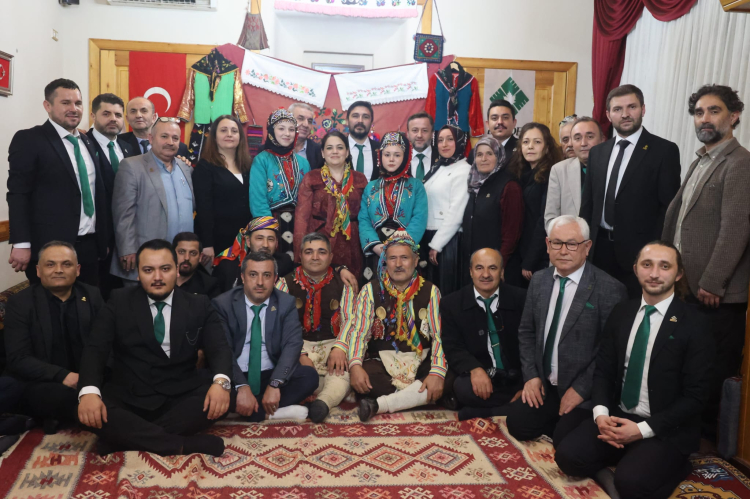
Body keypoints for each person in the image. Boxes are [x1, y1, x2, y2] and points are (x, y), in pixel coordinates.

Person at [555, 242, 714, 499]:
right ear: (636, 269)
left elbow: (696, 397)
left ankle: (674, 465)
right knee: (567, 457)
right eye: (647, 265)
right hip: (619, 416)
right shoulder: (622, 312)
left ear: (679, 274)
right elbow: (604, 371)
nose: (654, 274)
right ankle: (629, 455)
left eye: (665, 266)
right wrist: (601, 415)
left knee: (630, 485)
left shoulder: (695, 324)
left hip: (664, 427)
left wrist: (641, 431)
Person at [77, 239, 233, 456]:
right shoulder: (118, 301)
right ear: (138, 273)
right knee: (85, 405)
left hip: (180, 395)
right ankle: (181, 445)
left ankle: (124, 439)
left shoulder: (199, 304)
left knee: (224, 395)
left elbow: (219, 348)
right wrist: (89, 392)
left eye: (165, 269)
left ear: (176, 270)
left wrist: (221, 383)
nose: (157, 277)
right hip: (130, 396)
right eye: (148, 270)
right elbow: (95, 349)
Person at [662, 84, 750, 435]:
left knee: (712, 370)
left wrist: (713, 283)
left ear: (734, 116)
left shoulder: (740, 163)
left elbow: (735, 229)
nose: (705, 118)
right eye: (699, 112)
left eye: (714, 111)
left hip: (716, 294)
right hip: (688, 288)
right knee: (689, 366)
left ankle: (709, 447)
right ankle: (685, 434)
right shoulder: (701, 160)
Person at [505, 216, 627, 447]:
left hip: (582, 389)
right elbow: (526, 332)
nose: (563, 251)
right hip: (545, 383)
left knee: (564, 440)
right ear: (547, 245)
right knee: (517, 424)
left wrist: (581, 389)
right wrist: (531, 376)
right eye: (556, 243)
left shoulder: (610, 289)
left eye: (571, 244)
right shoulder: (539, 280)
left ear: (587, 247)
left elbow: (609, 353)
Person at [581, 84, 681, 298]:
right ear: (608, 114)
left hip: (640, 255)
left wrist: (653, 253)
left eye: (632, 107)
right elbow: (588, 204)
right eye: (617, 109)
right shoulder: (597, 152)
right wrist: (583, 246)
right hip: (598, 251)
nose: (625, 114)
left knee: (632, 311)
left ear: (643, 109)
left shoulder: (664, 151)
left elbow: (668, 209)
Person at [8, 78, 109, 286]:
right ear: (48, 106)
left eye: (78, 103)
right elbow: (18, 194)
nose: (74, 109)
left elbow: (97, 193)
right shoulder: (30, 139)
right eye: (65, 103)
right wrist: (21, 243)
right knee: (49, 305)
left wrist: (103, 240)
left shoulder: (87, 141)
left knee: (89, 303)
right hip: (50, 249)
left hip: (89, 247)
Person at [344, 231, 446, 421]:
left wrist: (437, 373)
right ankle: (421, 397)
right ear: (385, 261)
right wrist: (355, 366)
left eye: (404, 258)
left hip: (421, 361)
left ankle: (381, 405)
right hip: (382, 363)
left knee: (447, 374)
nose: (398, 264)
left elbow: (439, 337)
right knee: (365, 376)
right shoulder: (370, 290)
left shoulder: (431, 291)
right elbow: (359, 333)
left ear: (415, 261)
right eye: (392, 258)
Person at [4, 241, 104, 432]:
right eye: (50, 264)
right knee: (64, 397)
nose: (58, 270)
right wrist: (64, 376)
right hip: (43, 382)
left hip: (88, 376)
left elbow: (105, 343)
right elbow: (18, 358)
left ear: (78, 270)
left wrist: (91, 378)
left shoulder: (92, 295)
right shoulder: (20, 303)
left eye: (66, 264)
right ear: (38, 270)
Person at [212, 251, 319, 422]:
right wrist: (241, 386)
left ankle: (248, 412)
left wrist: (275, 383)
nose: (260, 282)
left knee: (309, 376)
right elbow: (223, 350)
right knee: (206, 384)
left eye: (267, 275)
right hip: (235, 373)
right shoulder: (223, 304)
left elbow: (292, 344)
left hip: (270, 373)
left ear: (275, 278)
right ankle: (272, 413)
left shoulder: (285, 303)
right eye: (253, 275)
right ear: (243, 277)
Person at [276, 233, 357, 423]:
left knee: (343, 372)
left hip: (333, 344)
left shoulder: (343, 283)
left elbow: (350, 320)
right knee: (287, 369)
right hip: (297, 345)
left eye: (321, 252)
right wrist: (300, 354)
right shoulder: (284, 284)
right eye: (309, 252)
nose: (315, 257)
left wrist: (340, 348)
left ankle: (322, 403)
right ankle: (326, 394)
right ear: (300, 256)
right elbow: (280, 325)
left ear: (330, 257)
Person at [441, 248, 526, 421]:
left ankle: (487, 411)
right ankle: (515, 406)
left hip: (516, 374)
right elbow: (452, 346)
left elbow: (532, 343)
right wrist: (475, 369)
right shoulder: (451, 303)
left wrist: (527, 383)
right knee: (462, 388)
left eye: (492, 268)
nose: (485, 274)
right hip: (483, 376)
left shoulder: (521, 299)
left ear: (501, 272)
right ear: (471, 272)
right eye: (479, 268)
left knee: (541, 390)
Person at [110, 118, 195, 285]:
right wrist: (127, 249)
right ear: (151, 138)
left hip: (180, 263)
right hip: (143, 259)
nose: (170, 142)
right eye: (164, 136)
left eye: (175, 138)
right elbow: (123, 214)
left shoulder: (186, 168)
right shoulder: (131, 166)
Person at [294, 130, 368, 279]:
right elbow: (302, 218)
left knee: (352, 284)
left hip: (353, 241)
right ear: (322, 153)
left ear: (347, 152)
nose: (335, 151)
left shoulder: (360, 179)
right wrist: (299, 253)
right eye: (329, 148)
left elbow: (366, 216)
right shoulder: (312, 178)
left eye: (340, 147)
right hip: (320, 240)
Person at [359, 132, 428, 282]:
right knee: (377, 291)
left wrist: (401, 247)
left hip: (406, 249)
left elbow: (419, 218)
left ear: (406, 157)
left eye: (397, 155)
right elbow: (364, 220)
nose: (391, 159)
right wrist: (377, 247)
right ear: (380, 157)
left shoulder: (416, 186)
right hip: (377, 249)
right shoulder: (370, 187)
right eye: (387, 154)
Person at [86, 93, 136, 298]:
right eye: (106, 114)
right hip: (97, 240)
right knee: (98, 295)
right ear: (93, 116)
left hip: (125, 239)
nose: (113, 119)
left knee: (122, 297)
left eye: (117, 114)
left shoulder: (128, 147)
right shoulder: (83, 145)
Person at [461, 135, 523, 288]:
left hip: (498, 269)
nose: (483, 159)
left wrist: (499, 265)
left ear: (499, 156)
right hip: (475, 266)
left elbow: (512, 234)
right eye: (479, 154)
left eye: (489, 153)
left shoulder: (509, 186)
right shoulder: (473, 185)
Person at [507, 123, 563, 287]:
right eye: (526, 142)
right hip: (519, 252)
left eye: (537, 142)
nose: (530, 146)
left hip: (538, 256)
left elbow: (543, 221)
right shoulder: (519, 173)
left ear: (547, 148)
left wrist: (530, 260)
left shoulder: (550, 175)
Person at [250, 109, 311, 258]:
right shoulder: (261, 160)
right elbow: (258, 200)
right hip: (272, 223)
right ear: (271, 131)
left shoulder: (303, 162)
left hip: (300, 224)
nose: (287, 134)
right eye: (281, 128)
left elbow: (309, 198)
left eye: (291, 129)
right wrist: (268, 232)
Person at [193, 115, 253, 269]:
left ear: (240, 136)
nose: (229, 134)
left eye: (234, 131)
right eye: (223, 130)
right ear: (214, 136)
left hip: (245, 240)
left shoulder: (248, 166)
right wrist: (207, 244)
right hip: (217, 241)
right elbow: (204, 208)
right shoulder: (204, 167)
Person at [421, 124, 471, 295]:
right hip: (431, 236)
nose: (444, 144)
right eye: (440, 140)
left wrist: (436, 245)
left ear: (459, 142)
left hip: (448, 241)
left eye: (450, 139)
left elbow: (457, 212)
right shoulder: (439, 167)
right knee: (431, 293)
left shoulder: (464, 169)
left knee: (446, 292)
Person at [544, 117, 605, 231]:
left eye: (590, 137)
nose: (583, 143)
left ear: (602, 139)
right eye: (577, 138)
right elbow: (551, 219)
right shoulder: (559, 170)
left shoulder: (613, 167)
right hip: (569, 239)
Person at [213, 217, 295, 292]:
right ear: (248, 241)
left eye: (270, 239)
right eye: (259, 238)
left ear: (276, 243)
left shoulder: (284, 262)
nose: (265, 245)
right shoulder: (228, 266)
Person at [119, 96, 190, 160]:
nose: (138, 115)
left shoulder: (178, 147)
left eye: (144, 111)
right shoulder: (118, 142)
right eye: (133, 111)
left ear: (154, 117)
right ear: (127, 119)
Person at [173, 232, 220, 298]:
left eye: (193, 253)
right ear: (172, 254)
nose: (187, 258)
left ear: (200, 257)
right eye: (181, 252)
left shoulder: (209, 285)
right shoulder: (161, 279)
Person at [347, 101, 381, 181]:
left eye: (365, 117)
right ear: (347, 120)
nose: (360, 121)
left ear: (371, 122)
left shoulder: (381, 149)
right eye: (355, 116)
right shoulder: (337, 148)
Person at [291, 103, 324, 169]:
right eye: (300, 118)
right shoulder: (273, 149)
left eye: (309, 121)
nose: (306, 124)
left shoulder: (319, 152)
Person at [406, 112, 437, 180]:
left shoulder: (442, 158)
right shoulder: (401, 159)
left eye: (424, 130)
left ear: (432, 134)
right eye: (415, 130)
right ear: (407, 134)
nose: (419, 135)